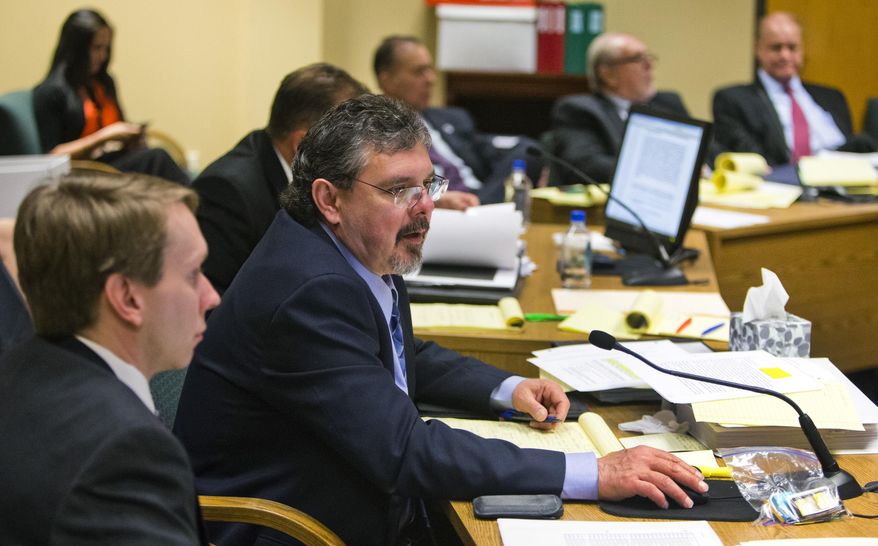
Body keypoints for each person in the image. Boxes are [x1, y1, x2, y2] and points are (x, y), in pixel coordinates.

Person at [174, 95, 706, 546]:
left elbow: (400, 350)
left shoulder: (350, 244)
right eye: (398, 189)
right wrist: (596, 473)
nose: (424, 207)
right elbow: (406, 451)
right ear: (328, 198)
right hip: (302, 526)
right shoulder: (311, 290)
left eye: (428, 185)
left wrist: (506, 385)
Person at [0, 173, 219, 544]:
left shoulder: (15, 371)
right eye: (193, 274)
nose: (211, 296)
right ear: (128, 298)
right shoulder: (126, 451)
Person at [193, 63, 368, 294]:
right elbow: (213, 306)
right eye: (347, 143)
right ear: (303, 145)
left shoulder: (310, 179)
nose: (355, 155)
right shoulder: (228, 192)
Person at [375, 35, 539, 206]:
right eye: (419, 72)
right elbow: (392, 188)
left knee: (529, 152)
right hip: (438, 204)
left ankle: (480, 209)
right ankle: (483, 213)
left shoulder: (452, 119)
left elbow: (483, 150)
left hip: (479, 194)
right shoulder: (377, 132)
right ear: (387, 80)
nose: (431, 79)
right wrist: (438, 199)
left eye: (430, 70)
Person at [33, 9, 190, 184]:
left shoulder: (104, 82)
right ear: (76, 49)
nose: (103, 56)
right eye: (96, 48)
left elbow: (118, 125)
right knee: (157, 158)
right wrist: (103, 137)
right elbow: (51, 156)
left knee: (155, 159)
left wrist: (130, 138)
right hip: (82, 174)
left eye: (106, 48)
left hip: (111, 161)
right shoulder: (51, 91)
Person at [712, 12, 876, 166]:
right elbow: (753, 157)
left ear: (802, 50)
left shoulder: (833, 97)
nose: (785, 56)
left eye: (792, 47)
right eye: (776, 48)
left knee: (864, 142)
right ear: (758, 49)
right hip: (786, 182)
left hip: (846, 181)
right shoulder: (734, 99)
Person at [550, 32, 691, 184]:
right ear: (608, 74)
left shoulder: (668, 103)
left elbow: (709, 152)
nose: (649, 66)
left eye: (648, 58)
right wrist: (660, 173)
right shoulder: (579, 110)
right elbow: (587, 164)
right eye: (638, 59)